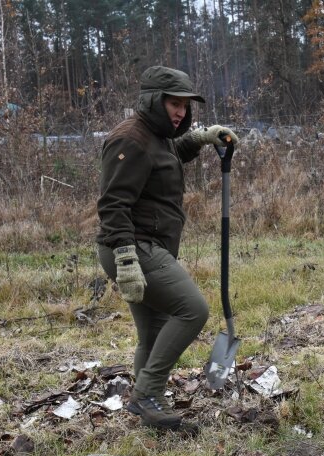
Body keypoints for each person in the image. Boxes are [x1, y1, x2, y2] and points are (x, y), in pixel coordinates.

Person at [96, 65, 239, 431]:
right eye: (174, 103)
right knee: (192, 310)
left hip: (147, 245)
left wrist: (203, 137)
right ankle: (147, 393)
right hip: (133, 247)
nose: (180, 112)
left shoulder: (156, 136)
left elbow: (168, 156)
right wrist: (126, 257)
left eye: (185, 105)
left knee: (154, 331)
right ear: (153, 101)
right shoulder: (130, 139)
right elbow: (113, 205)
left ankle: (147, 405)